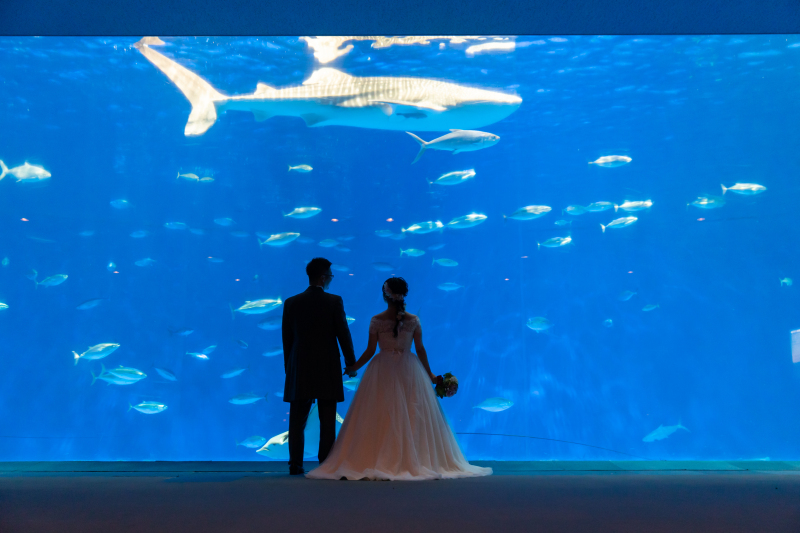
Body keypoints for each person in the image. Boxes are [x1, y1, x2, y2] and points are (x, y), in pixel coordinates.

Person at [306, 277, 492, 481]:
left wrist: (353, 367)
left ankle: (380, 458)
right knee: (413, 414)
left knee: (379, 414)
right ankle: (413, 459)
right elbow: (420, 349)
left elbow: (370, 351)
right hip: (409, 369)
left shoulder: (376, 320)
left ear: (385, 295)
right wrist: (429, 375)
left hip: (381, 369)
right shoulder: (413, 320)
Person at [282, 257, 357, 475]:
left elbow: (288, 341)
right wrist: (350, 363)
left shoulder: (291, 303)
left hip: (300, 369)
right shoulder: (334, 301)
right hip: (327, 368)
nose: (331, 280)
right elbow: (344, 334)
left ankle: (295, 464)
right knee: (327, 419)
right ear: (323, 278)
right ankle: (325, 464)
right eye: (331, 276)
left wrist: (290, 370)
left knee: (297, 421)